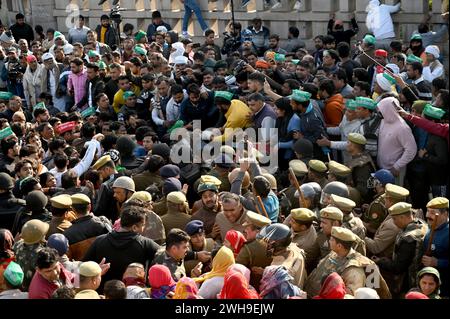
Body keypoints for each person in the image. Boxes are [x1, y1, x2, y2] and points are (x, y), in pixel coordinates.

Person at [83, 205, 160, 289]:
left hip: (104, 293)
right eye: (143, 225)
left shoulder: (99, 241)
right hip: (132, 294)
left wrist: (96, 271)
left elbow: (83, 266)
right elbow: (164, 255)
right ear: (134, 227)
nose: (144, 228)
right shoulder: (145, 243)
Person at [305, 226, 390, 298]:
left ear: (339, 246)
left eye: (331, 239)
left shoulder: (354, 270)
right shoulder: (335, 253)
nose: (329, 241)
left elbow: (350, 296)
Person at [374, 202, 428, 297]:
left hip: (410, 282)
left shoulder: (408, 239)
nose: (394, 222)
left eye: (395, 219)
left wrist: (380, 261)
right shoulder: (421, 223)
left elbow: (398, 268)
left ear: (403, 217)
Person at [377, 97, 417, 186]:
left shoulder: (402, 128)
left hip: (394, 171)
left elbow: (411, 150)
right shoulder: (384, 120)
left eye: (381, 109)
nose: (379, 112)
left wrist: (397, 166)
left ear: (388, 110)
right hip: (381, 168)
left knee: (394, 197)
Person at [257, 223, 307, 289]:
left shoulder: (278, 269)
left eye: (265, 243)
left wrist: (267, 273)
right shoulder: (294, 249)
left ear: (274, 245)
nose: (263, 245)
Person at [64, 193, 111, 261]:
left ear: (73, 210)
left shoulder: (67, 234)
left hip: (84, 270)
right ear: (89, 207)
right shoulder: (103, 222)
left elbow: (69, 259)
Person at [421, 197, 449, 297]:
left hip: (445, 287)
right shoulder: (430, 227)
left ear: (445, 214)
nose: (428, 215)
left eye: (432, 212)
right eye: (428, 211)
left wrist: (437, 262)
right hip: (428, 285)